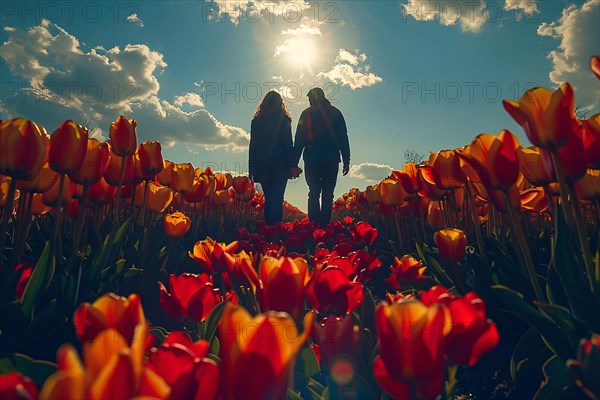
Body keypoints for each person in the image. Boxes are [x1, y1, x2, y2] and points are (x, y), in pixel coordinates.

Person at [293, 87, 350, 226]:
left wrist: (294, 162)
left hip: (312, 159)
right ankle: (325, 226)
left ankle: (314, 226)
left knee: (313, 191)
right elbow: (343, 138)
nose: (308, 102)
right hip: (331, 159)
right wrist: (346, 160)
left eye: (309, 99)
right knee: (328, 194)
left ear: (313, 98)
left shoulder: (306, 114)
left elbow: (299, 139)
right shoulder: (336, 113)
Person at [249, 91, 302, 225]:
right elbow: (287, 144)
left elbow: (253, 146)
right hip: (280, 165)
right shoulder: (284, 119)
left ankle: (268, 230)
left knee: (269, 199)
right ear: (281, 104)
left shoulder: (257, 121)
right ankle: (276, 230)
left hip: (262, 165)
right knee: (277, 199)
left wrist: (252, 169)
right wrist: (292, 165)